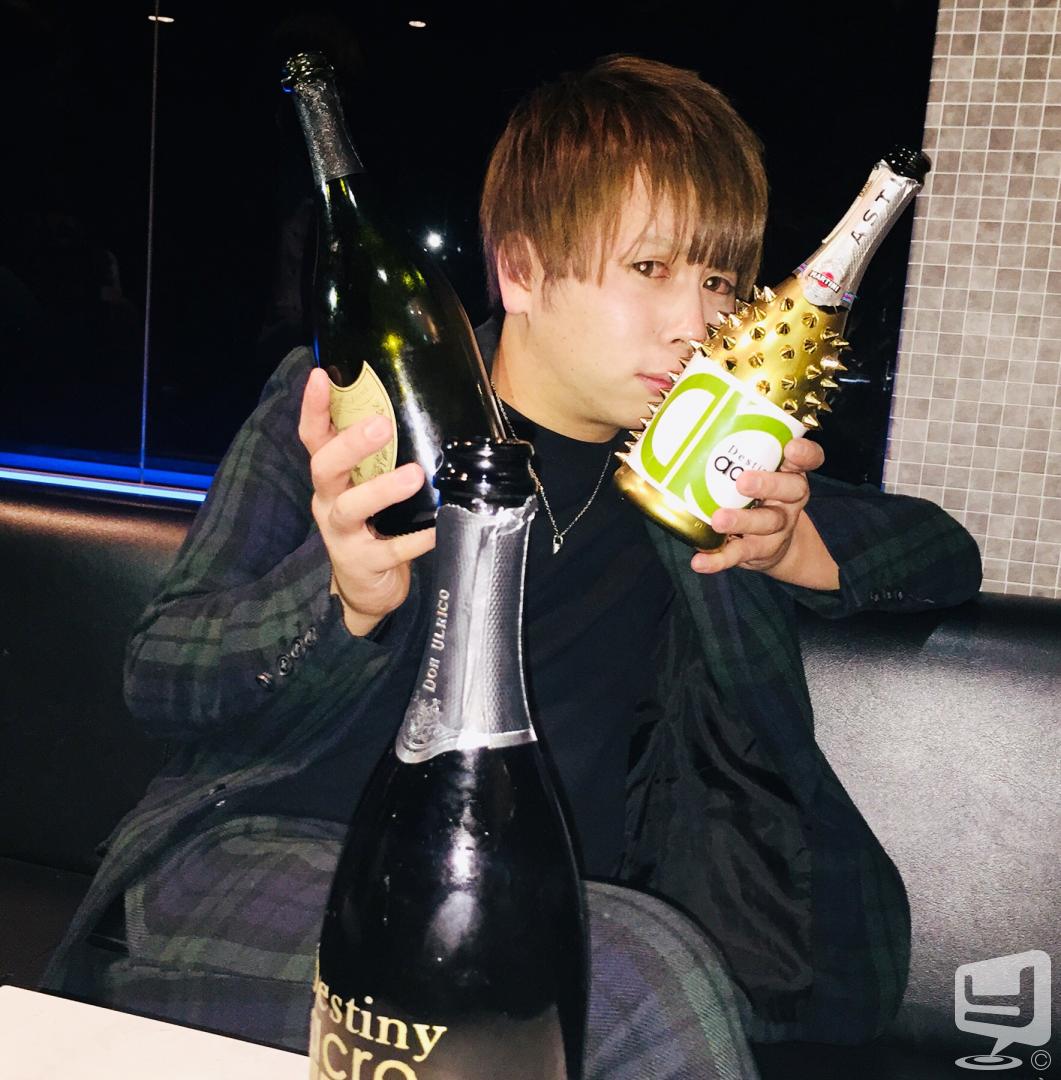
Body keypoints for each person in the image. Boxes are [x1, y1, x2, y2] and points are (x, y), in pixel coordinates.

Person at [44, 55, 981, 1075]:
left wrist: (800, 549)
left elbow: (942, 551)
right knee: (644, 980)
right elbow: (161, 674)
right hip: (260, 871)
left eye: (717, 280)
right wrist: (339, 595)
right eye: (650, 269)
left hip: (545, 908)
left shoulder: (687, 474)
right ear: (522, 270)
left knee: (612, 970)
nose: (696, 322)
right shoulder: (361, 411)